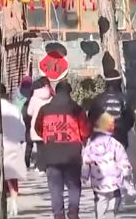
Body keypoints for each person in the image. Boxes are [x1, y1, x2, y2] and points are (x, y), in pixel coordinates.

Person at [35, 81, 91, 219]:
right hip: (72, 153)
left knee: (55, 187)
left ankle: (58, 214)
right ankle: (73, 212)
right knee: (74, 186)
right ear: (69, 92)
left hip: (51, 153)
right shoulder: (77, 109)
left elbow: (38, 128)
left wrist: (48, 138)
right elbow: (85, 130)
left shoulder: (45, 110)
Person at [81, 112, 136, 219]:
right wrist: (126, 172)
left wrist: (84, 176)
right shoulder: (115, 143)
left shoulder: (91, 144)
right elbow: (122, 159)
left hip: (98, 181)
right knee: (114, 199)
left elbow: (86, 161)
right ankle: (111, 215)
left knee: (100, 201)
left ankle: (100, 216)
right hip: (114, 180)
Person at [0, 83, 28, 217]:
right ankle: (14, 203)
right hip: (13, 144)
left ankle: (2, 203)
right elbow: (22, 127)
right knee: (12, 176)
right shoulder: (14, 108)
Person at [87, 71, 135, 148]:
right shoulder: (125, 99)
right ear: (118, 82)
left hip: (102, 140)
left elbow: (91, 119)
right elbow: (130, 121)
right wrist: (122, 129)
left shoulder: (98, 99)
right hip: (120, 139)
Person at [27, 77, 54, 173]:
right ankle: (46, 165)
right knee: (47, 147)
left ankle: (41, 166)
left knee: (39, 148)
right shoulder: (51, 97)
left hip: (37, 125)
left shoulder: (34, 97)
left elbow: (29, 112)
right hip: (49, 125)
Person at [16, 76, 35, 169]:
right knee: (29, 140)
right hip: (28, 117)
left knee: (18, 140)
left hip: (18, 118)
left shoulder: (16, 93)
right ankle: (26, 160)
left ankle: (18, 159)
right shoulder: (32, 92)